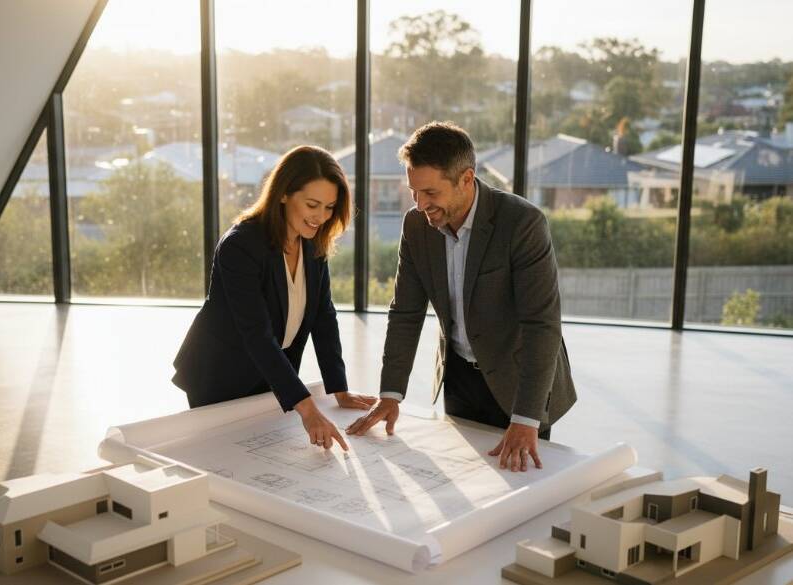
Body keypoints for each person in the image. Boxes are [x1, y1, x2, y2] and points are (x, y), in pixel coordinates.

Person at [347, 122, 576, 472]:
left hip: (519, 381)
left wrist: (526, 418)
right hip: (459, 380)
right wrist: (390, 393)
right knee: (468, 479)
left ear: (466, 179)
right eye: (414, 192)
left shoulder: (523, 223)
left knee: (520, 487)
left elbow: (541, 325)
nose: (421, 204)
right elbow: (405, 312)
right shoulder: (415, 226)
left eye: (431, 193)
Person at [172, 145, 376, 451]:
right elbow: (256, 334)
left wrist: (339, 389)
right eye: (312, 204)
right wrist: (308, 411)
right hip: (220, 376)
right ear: (283, 194)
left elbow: (324, 317)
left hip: (271, 375)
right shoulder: (240, 246)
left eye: (330, 207)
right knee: (226, 461)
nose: (321, 217)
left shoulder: (312, 243)